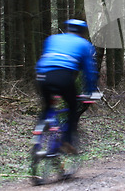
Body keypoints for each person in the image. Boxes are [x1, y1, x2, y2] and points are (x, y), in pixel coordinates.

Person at [35, 19, 100, 154]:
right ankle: (66, 142)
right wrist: (90, 91)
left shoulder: (52, 39)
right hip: (63, 76)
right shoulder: (84, 44)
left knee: (47, 106)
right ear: (82, 32)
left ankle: (38, 135)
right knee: (72, 107)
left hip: (41, 76)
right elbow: (89, 71)